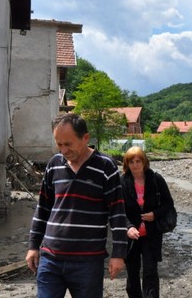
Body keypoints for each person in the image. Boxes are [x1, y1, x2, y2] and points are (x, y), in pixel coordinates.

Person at [25, 113, 129, 298]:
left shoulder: (105, 167)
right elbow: (43, 209)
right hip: (51, 258)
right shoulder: (54, 165)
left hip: (87, 262)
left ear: (85, 138)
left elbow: (117, 213)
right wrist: (33, 246)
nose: (63, 150)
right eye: (59, 144)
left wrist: (118, 253)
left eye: (68, 144)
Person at [120, 146, 175, 298]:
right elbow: (118, 210)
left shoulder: (156, 179)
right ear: (127, 164)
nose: (135, 165)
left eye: (138, 161)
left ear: (144, 162)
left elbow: (168, 203)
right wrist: (128, 227)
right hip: (132, 236)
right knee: (132, 272)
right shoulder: (122, 182)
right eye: (131, 162)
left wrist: (155, 214)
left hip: (152, 233)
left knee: (150, 272)